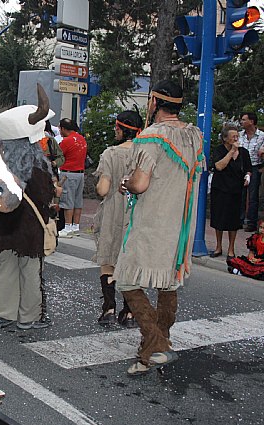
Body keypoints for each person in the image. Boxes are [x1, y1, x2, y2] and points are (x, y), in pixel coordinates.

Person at [114, 80, 204, 376]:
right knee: (168, 284)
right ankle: (150, 353)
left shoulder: (152, 136)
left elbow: (140, 183)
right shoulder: (194, 136)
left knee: (127, 279)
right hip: (181, 226)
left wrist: (126, 183)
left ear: (154, 102)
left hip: (153, 223)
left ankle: (156, 345)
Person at [0, 89, 55, 330]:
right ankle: (29, 316)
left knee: (5, 268)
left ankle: (1, 314)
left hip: (3, 228)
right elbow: (45, 196)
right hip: (30, 229)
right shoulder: (37, 166)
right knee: (30, 270)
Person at [93, 110, 143, 328]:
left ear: (122, 129)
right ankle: (130, 312)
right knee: (131, 261)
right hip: (137, 213)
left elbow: (103, 189)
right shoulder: (144, 154)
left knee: (108, 259)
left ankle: (109, 308)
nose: (115, 131)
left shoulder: (110, 154)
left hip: (113, 212)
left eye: (117, 127)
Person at [210, 124, 252, 259]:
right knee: (219, 218)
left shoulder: (244, 152)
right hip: (220, 188)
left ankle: (231, 249)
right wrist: (231, 152)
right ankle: (218, 247)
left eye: (237, 136)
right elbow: (219, 166)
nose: (236, 139)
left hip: (236, 190)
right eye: (233, 136)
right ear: (225, 138)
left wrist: (248, 176)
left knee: (233, 221)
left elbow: (248, 169)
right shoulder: (219, 150)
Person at [57, 118, 87, 237]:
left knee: (67, 200)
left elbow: (58, 155)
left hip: (68, 173)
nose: (59, 131)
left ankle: (68, 226)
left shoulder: (67, 141)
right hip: (80, 173)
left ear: (64, 128)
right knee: (77, 201)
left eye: (60, 128)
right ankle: (76, 226)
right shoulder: (81, 138)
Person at [239, 112, 264, 232]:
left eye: (244, 120)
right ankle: (239, 220)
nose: (241, 122)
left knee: (253, 196)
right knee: (240, 194)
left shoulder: (262, 136)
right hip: (241, 167)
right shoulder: (240, 135)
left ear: (251, 121)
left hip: (255, 167)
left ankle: (251, 222)